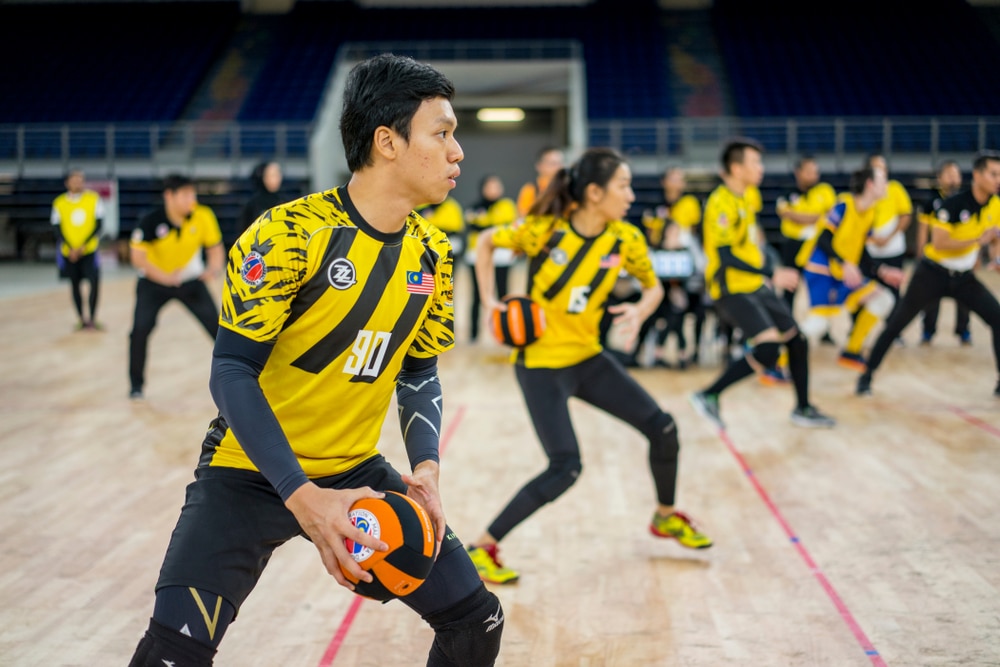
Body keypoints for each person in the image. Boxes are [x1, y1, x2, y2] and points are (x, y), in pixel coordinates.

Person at [126, 54, 504, 667]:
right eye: (442, 132)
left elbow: (419, 370)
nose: (458, 151)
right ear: (387, 142)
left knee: (477, 622)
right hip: (248, 473)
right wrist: (301, 494)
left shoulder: (433, 252)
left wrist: (427, 469)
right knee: (172, 656)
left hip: (357, 472)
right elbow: (230, 371)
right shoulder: (288, 234)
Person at [466, 147, 712, 586]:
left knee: (664, 428)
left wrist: (640, 308)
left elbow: (653, 287)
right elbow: (485, 242)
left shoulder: (626, 238)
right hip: (541, 366)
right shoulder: (544, 231)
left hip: (589, 359)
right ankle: (481, 547)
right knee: (566, 466)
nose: (632, 196)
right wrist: (489, 301)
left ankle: (665, 516)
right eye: (623, 186)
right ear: (594, 193)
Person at [689, 138, 836, 430]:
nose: (761, 168)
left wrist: (770, 265)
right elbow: (725, 255)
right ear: (736, 168)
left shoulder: (749, 196)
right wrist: (771, 273)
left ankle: (803, 409)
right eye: (755, 162)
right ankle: (709, 394)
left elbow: (754, 240)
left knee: (797, 340)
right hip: (731, 289)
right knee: (768, 349)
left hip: (755, 284)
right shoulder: (720, 202)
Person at [857, 151, 1000, 398]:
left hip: (964, 278)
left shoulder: (996, 204)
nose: (998, 179)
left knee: (997, 319)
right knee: (896, 324)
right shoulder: (953, 204)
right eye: (993, 174)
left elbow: (994, 235)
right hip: (932, 275)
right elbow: (940, 242)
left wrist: (996, 257)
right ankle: (866, 375)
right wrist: (979, 239)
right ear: (976, 175)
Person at [794, 166, 904, 370]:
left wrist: (882, 270)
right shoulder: (844, 205)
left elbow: (861, 250)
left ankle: (851, 351)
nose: (887, 185)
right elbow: (824, 238)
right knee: (818, 325)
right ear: (870, 184)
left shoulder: (870, 212)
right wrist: (844, 263)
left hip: (845, 273)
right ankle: (776, 360)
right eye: (882, 180)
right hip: (821, 271)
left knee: (883, 298)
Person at [127, 174, 225, 399]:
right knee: (139, 331)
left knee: (220, 331)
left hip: (191, 283)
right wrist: (165, 277)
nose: (192, 199)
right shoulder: (151, 221)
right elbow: (137, 258)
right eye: (186, 195)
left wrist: (214, 268)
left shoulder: (203, 215)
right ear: (169, 196)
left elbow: (215, 248)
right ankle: (136, 386)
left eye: (193, 194)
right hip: (153, 284)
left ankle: (242, 379)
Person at [639, 166, 706, 368]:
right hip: (661, 269)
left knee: (679, 306)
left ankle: (672, 351)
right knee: (669, 307)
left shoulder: (690, 204)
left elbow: (695, 234)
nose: (677, 183)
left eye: (681, 179)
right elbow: (650, 235)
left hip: (683, 268)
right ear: (664, 181)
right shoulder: (655, 206)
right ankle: (671, 351)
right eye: (673, 178)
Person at [859, 152, 912, 345]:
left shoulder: (895, 189)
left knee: (894, 293)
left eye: (883, 168)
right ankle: (859, 333)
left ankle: (894, 332)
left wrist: (888, 237)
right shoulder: (860, 194)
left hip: (893, 250)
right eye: (876, 168)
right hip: (869, 253)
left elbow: (906, 215)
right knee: (864, 292)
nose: (881, 172)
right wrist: (871, 238)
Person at [916, 160, 971, 345]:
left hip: (962, 259)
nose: (953, 178)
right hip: (936, 260)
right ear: (940, 178)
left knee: (965, 299)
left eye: (956, 174)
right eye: (948, 174)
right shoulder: (931, 201)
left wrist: (976, 256)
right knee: (931, 298)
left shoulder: (967, 200)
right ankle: (928, 331)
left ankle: (963, 331)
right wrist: (921, 253)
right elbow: (923, 230)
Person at [775, 156, 837, 318]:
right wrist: (817, 217)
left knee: (821, 286)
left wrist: (798, 216)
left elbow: (833, 216)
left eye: (815, 171)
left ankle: (824, 330)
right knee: (790, 286)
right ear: (798, 172)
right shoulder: (787, 192)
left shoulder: (825, 190)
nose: (813, 175)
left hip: (818, 246)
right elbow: (786, 214)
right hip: (793, 246)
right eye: (808, 171)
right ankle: (786, 323)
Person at [464, 174, 518, 342]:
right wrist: (490, 227)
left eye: (496, 186)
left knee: (503, 293)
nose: (493, 190)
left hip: (502, 256)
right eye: (490, 186)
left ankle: (506, 332)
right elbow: (473, 226)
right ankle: (473, 335)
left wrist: (485, 226)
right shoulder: (474, 207)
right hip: (476, 256)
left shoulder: (507, 205)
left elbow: (505, 225)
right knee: (477, 295)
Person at [51, 168, 104, 330]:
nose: (78, 183)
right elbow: (57, 228)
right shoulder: (59, 202)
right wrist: (71, 247)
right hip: (69, 253)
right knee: (74, 285)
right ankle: (81, 319)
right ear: (67, 183)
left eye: (80, 179)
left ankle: (93, 319)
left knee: (94, 283)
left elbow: (98, 225)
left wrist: (82, 246)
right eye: (74, 180)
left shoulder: (93, 199)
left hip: (89, 251)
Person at [238, 160, 285, 239]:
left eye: (278, 174)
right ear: (262, 177)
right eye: (272, 175)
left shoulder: (285, 202)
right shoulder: (252, 204)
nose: (277, 178)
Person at [516, 145, 565, 217]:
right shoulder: (530, 190)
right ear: (539, 166)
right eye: (553, 164)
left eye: (560, 163)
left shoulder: (567, 189)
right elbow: (524, 218)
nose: (559, 168)